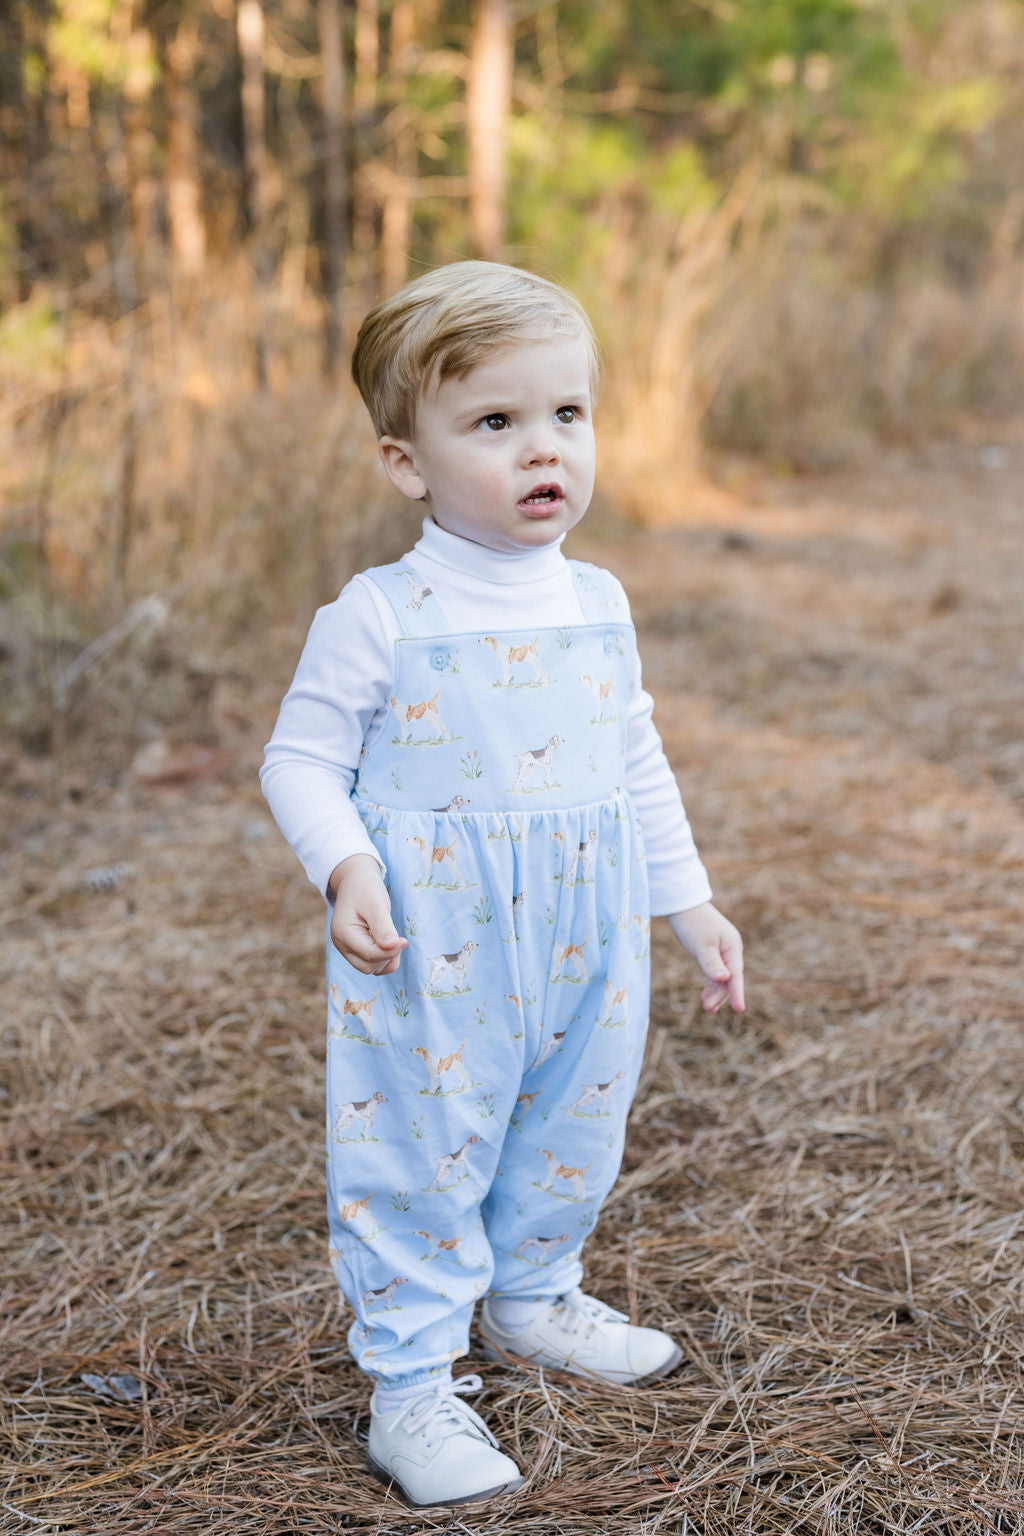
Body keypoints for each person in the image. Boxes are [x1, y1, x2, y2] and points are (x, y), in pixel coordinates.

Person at [260, 260, 744, 1509]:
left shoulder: (597, 599)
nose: (545, 450)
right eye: (495, 422)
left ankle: (532, 1293)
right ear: (405, 463)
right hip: (436, 941)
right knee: (419, 1147)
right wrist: (346, 862)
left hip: (589, 935)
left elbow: (631, 749)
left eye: (566, 416)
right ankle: (412, 1383)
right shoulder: (382, 613)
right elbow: (300, 757)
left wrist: (684, 902)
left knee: (572, 1124)